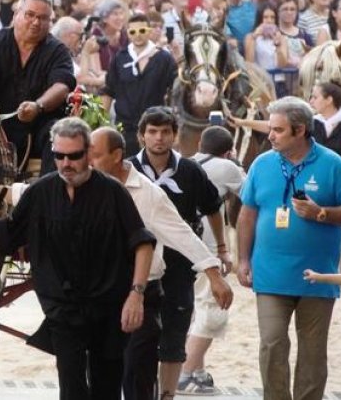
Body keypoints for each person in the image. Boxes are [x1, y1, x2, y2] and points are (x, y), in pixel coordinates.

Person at [0, 117, 156, 400]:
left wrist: (137, 294)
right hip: (63, 308)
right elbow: (10, 229)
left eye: (74, 156)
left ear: (87, 153)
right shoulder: (42, 191)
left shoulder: (112, 192)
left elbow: (142, 243)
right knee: (71, 389)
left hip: (109, 307)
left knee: (106, 387)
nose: (66, 163)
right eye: (59, 156)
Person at [236, 97, 341, 400]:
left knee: (312, 352)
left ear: (300, 130)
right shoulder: (262, 162)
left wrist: (324, 213)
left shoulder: (331, 163)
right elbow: (247, 214)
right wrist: (243, 259)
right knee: (271, 344)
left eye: (278, 130)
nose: (270, 135)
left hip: (318, 276)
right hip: (269, 273)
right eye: (270, 128)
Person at [88, 126, 232, 400]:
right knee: (99, 374)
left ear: (116, 155)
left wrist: (214, 275)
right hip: (98, 296)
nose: (87, 161)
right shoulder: (82, 184)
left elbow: (183, 234)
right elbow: (36, 195)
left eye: (93, 155)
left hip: (143, 295)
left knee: (137, 375)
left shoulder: (148, 194)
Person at [125, 107, 229, 397]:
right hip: (137, 265)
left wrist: (221, 248)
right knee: (135, 336)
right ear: (141, 135)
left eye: (165, 132)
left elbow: (212, 209)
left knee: (174, 331)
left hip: (180, 263)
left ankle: (168, 394)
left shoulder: (191, 170)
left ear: (175, 135)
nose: (159, 138)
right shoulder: (126, 169)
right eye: (153, 132)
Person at [0, 0, 75, 175]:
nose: (36, 22)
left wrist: (38, 106)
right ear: (16, 15)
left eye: (43, 18)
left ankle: (50, 194)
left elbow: (62, 85)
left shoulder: (58, 50)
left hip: (39, 126)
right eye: (30, 15)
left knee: (57, 132)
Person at [181, 126, 248, 394]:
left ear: (200, 143)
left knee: (195, 309)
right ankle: (184, 373)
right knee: (213, 312)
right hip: (209, 247)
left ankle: (196, 370)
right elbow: (250, 192)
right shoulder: (226, 166)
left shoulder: (186, 162)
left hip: (183, 247)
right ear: (228, 150)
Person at [101, 16, 177, 155]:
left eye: (142, 30)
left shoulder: (163, 58)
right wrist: (100, 122)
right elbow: (109, 90)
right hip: (125, 126)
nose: (138, 35)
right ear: (128, 33)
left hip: (155, 126)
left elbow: (176, 88)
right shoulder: (120, 57)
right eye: (133, 32)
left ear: (149, 31)